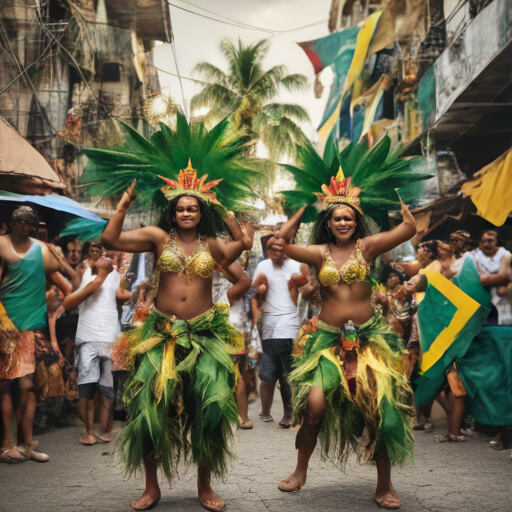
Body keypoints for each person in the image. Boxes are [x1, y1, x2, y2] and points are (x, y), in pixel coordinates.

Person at [274, 134, 430, 509]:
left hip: (369, 340)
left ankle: (384, 484)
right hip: (326, 341)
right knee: (313, 405)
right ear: (327, 223)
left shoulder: (367, 247)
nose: (342, 222)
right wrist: (306, 206)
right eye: (336, 218)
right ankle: (300, 470)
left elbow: (408, 230)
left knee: (378, 408)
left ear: (356, 222)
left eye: (348, 217)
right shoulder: (317, 252)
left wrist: (403, 209)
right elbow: (280, 242)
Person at [100, 170, 254, 510]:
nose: (187, 213)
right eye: (182, 208)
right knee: (150, 411)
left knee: (208, 410)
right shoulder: (158, 237)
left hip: (203, 334)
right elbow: (110, 239)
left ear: (201, 213)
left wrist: (223, 208)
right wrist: (124, 203)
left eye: (194, 209)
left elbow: (241, 246)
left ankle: (205, 486)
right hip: (162, 334)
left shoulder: (212, 244)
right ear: (173, 212)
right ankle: (151, 488)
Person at [0, 207, 64, 463]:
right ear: (12, 224)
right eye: (21, 223)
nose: (26, 227)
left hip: (31, 328)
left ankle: (27, 445)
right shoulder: (3, 246)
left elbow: (64, 279)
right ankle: (8, 445)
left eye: (30, 224)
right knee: (6, 386)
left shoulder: (40, 249)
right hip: (6, 326)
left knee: (27, 387)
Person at [62, 253, 129, 445]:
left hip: (106, 339)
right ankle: (92, 431)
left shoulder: (113, 277)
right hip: (91, 339)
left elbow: (122, 294)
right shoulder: (89, 280)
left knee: (104, 388)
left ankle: (100, 431)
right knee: (90, 388)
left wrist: (124, 277)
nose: (106, 259)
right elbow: (70, 302)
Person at [251, 237, 301, 428]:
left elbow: (303, 294)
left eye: (280, 247)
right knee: (268, 372)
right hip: (268, 325)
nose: (275, 251)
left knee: (286, 372)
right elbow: (255, 294)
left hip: (289, 326)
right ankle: (265, 411)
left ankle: (289, 412)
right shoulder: (263, 265)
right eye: (271, 248)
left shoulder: (296, 265)